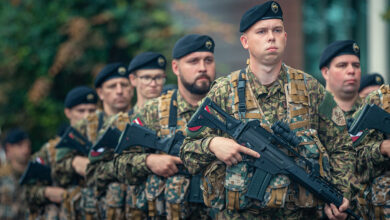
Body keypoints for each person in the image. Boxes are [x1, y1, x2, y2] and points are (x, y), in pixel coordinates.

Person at [180, 2, 353, 219]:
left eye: (277, 30)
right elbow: (186, 150)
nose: (271, 37)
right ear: (245, 41)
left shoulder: (311, 89)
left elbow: (342, 147)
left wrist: (340, 195)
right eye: (261, 31)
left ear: (285, 37)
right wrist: (212, 144)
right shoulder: (224, 91)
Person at [111, 34, 216, 219]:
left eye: (208, 60)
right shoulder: (154, 111)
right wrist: (149, 161)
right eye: (193, 61)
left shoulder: (228, 108)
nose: (202, 68)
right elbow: (119, 164)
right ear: (176, 67)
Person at [87, 52, 167, 219]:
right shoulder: (120, 123)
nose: (153, 84)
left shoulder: (176, 119)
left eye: (158, 78)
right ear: (134, 80)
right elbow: (94, 172)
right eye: (146, 78)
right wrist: (141, 164)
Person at [54, 63, 134, 219]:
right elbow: (58, 164)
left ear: (132, 88)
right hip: (97, 209)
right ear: (100, 93)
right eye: (112, 86)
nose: (119, 91)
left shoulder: (144, 118)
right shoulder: (86, 126)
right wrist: (74, 162)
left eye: (124, 85)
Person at [25, 86, 98, 219]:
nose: (87, 116)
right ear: (68, 112)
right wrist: (46, 192)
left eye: (92, 111)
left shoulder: (101, 146)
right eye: (81, 111)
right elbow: (27, 190)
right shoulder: (51, 150)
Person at [0, 128, 31, 219]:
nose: (25, 150)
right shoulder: (3, 177)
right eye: (20, 145)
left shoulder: (35, 174)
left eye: (28, 145)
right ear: (8, 148)